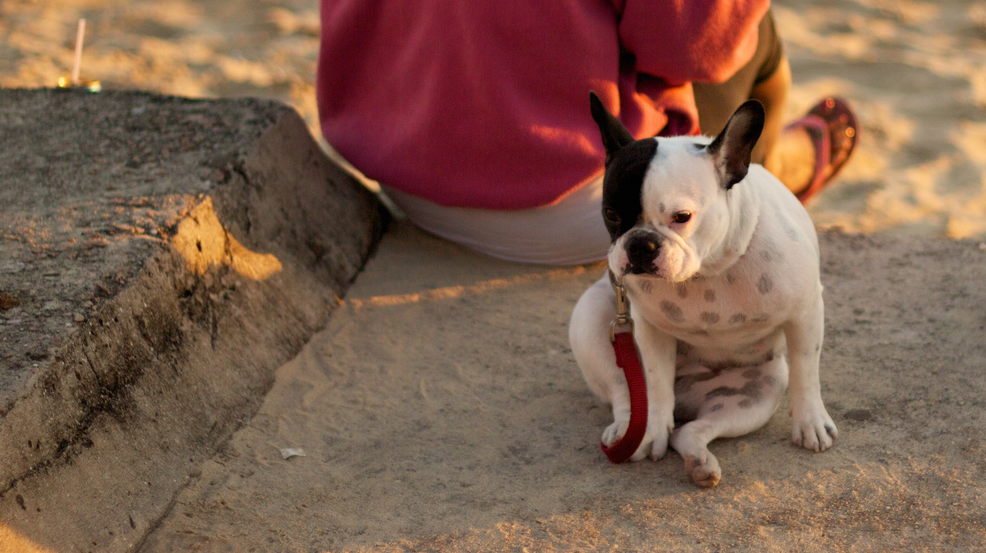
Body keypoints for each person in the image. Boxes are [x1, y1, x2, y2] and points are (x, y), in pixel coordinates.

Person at [316, 1, 858, 265]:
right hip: (589, 207)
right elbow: (698, 45)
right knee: (749, 25)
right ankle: (769, 171)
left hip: (404, 172)